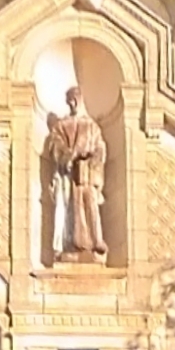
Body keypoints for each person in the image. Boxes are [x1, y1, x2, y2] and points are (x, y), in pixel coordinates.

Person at [43, 87, 108, 263]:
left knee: (91, 206)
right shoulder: (61, 126)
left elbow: (100, 148)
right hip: (69, 175)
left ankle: (95, 241)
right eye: (70, 100)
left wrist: (91, 157)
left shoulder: (92, 126)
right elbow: (55, 146)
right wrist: (68, 156)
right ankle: (74, 243)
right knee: (72, 206)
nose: (72, 103)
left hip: (88, 174)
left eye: (75, 99)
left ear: (79, 100)